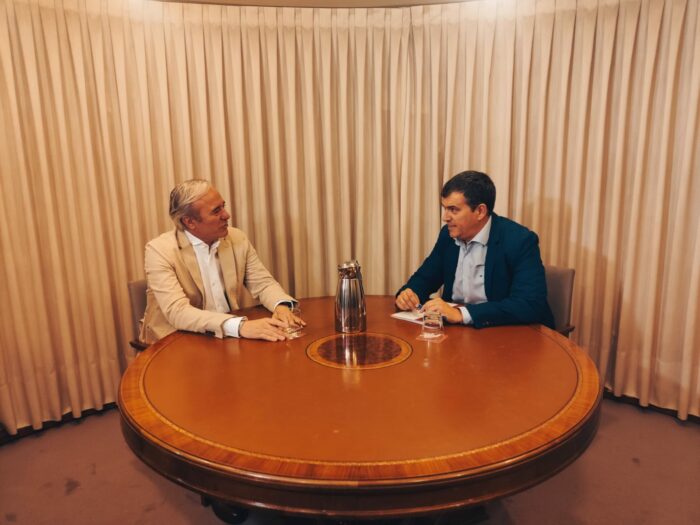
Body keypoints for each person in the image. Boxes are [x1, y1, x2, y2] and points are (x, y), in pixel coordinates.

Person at [140, 179, 304, 344]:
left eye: (223, 206)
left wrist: (280, 306)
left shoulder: (237, 238)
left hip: (227, 335)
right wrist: (240, 326)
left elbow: (263, 283)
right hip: (175, 341)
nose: (226, 215)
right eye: (216, 211)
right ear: (189, 221)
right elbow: (178, 312)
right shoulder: (159, 251)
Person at [395, 170, 554, 329]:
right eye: (445, 208)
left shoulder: (519, 240)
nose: (445, 217)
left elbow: (529, 304)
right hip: (457, 332)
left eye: (453, 209)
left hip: (506, 331)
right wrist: (409, 295)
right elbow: (424, 278)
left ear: (480, 211)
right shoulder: (448, 236)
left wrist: (462, 314)